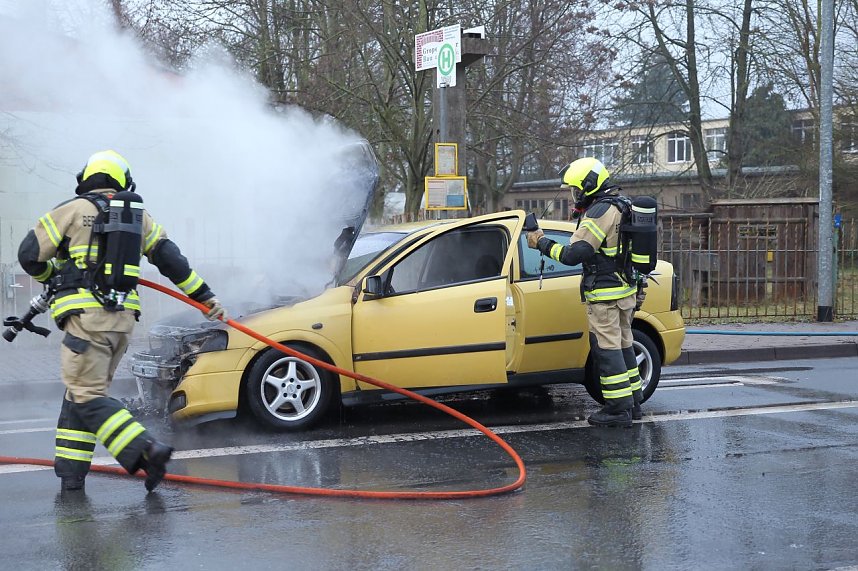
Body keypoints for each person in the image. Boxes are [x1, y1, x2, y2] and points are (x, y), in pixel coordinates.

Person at [17, 150, 227, 492]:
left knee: (86, 395)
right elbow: (171, 260)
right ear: (123, 182)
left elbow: (29, 255)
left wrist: (52, 275)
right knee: (81, 394)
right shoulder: (139, 218)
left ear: (87, 178)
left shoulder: (72, 210)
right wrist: (205, 297)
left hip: (86, 321)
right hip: (122, 324)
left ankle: (146, 450)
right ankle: (71, 475)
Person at [526, 157, 644, 428]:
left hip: (605, 294)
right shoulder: (621, 204)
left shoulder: (599, 212)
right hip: (625, 289)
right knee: (624, 345)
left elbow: (574, 254)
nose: (573, 194)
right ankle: (633, 402)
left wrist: (541, 242)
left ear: (587, 186)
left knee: (607, 350)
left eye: (575, 189)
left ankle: (617, 410)